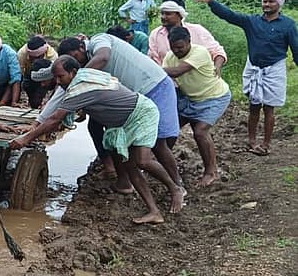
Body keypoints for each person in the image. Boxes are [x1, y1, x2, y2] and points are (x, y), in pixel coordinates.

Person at [10, 56, 184, 224]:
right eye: (55, 77)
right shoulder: (84, 76)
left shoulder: (80, 87)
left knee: (143, 161)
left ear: (73, 72)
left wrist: (26, 138)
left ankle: (175, 188)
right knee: (130, 167)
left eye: (60, 76)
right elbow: (60, 108)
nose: (57, 81)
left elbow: (55, 118)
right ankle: (154, 212)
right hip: (121, 122)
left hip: (140, 114)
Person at [57, 32, 185, 206]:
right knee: (110, 138)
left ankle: (177, 186)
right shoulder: (81, 69)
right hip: (128, 102)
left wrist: (79, 77)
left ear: (82, 47)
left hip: (152, 88)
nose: (78, 63)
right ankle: (122, 180)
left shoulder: (98, 42)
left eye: (76, 57)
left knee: (158, 144)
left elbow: (103, 57)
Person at [195, 0, 298, 156]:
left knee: (269, 108)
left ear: (279, 4)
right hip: (254, 68)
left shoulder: (288, 25)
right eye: (265, 1)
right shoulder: (253, 21)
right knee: (254, 105)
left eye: (271, 1)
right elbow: (231, 16)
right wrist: (212, 3)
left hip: (274, 69)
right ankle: (251, 142)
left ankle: (265, 144)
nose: (267, 4)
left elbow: (296, 47)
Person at [162, 27, 231, 187]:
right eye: (174, 47)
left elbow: (178, 71)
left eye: (181, 47)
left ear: (189, 42)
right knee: (168, 129)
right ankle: (161, 163)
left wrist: (153, 69)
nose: (177, 51)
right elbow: (168, 81)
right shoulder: (169, 57)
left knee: (200, 132)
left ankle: (211, 172)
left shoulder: (199, 52)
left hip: (213, 97)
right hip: (190, 99)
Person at [148, 0, 227, 73]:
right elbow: (153, 60)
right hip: (169, 82)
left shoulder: (198, 30)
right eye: (162, 13)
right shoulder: (155, 35)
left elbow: (217, 51)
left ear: (180, 15)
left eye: (168, 14)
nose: (163, 17)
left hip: (199, 83)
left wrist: (217, 68)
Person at [17, 36, 58, 108]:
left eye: (38, 57)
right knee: (29, 89)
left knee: (41, 93)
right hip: (29, 73)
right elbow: (18, 74)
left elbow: (56, 79)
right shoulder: (21, 54)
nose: (35, 60)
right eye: (32, 58)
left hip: (47, 77)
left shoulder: (53, 57)